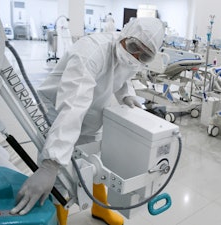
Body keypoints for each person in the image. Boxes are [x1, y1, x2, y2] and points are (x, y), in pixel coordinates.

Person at [10, 17, 165, 225]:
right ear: (125, 33)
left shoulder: (130, 54)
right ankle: (58, 220)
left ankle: (100, 209)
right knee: (60, 175)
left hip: (92, 111)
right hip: (59, 109)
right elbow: (73, 107)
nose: (135, 56)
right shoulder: (92, 51)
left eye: (144, 55)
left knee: (96, 164)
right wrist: (51, 164)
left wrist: (127, 94)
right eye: (134, 47)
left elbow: (123, 75)